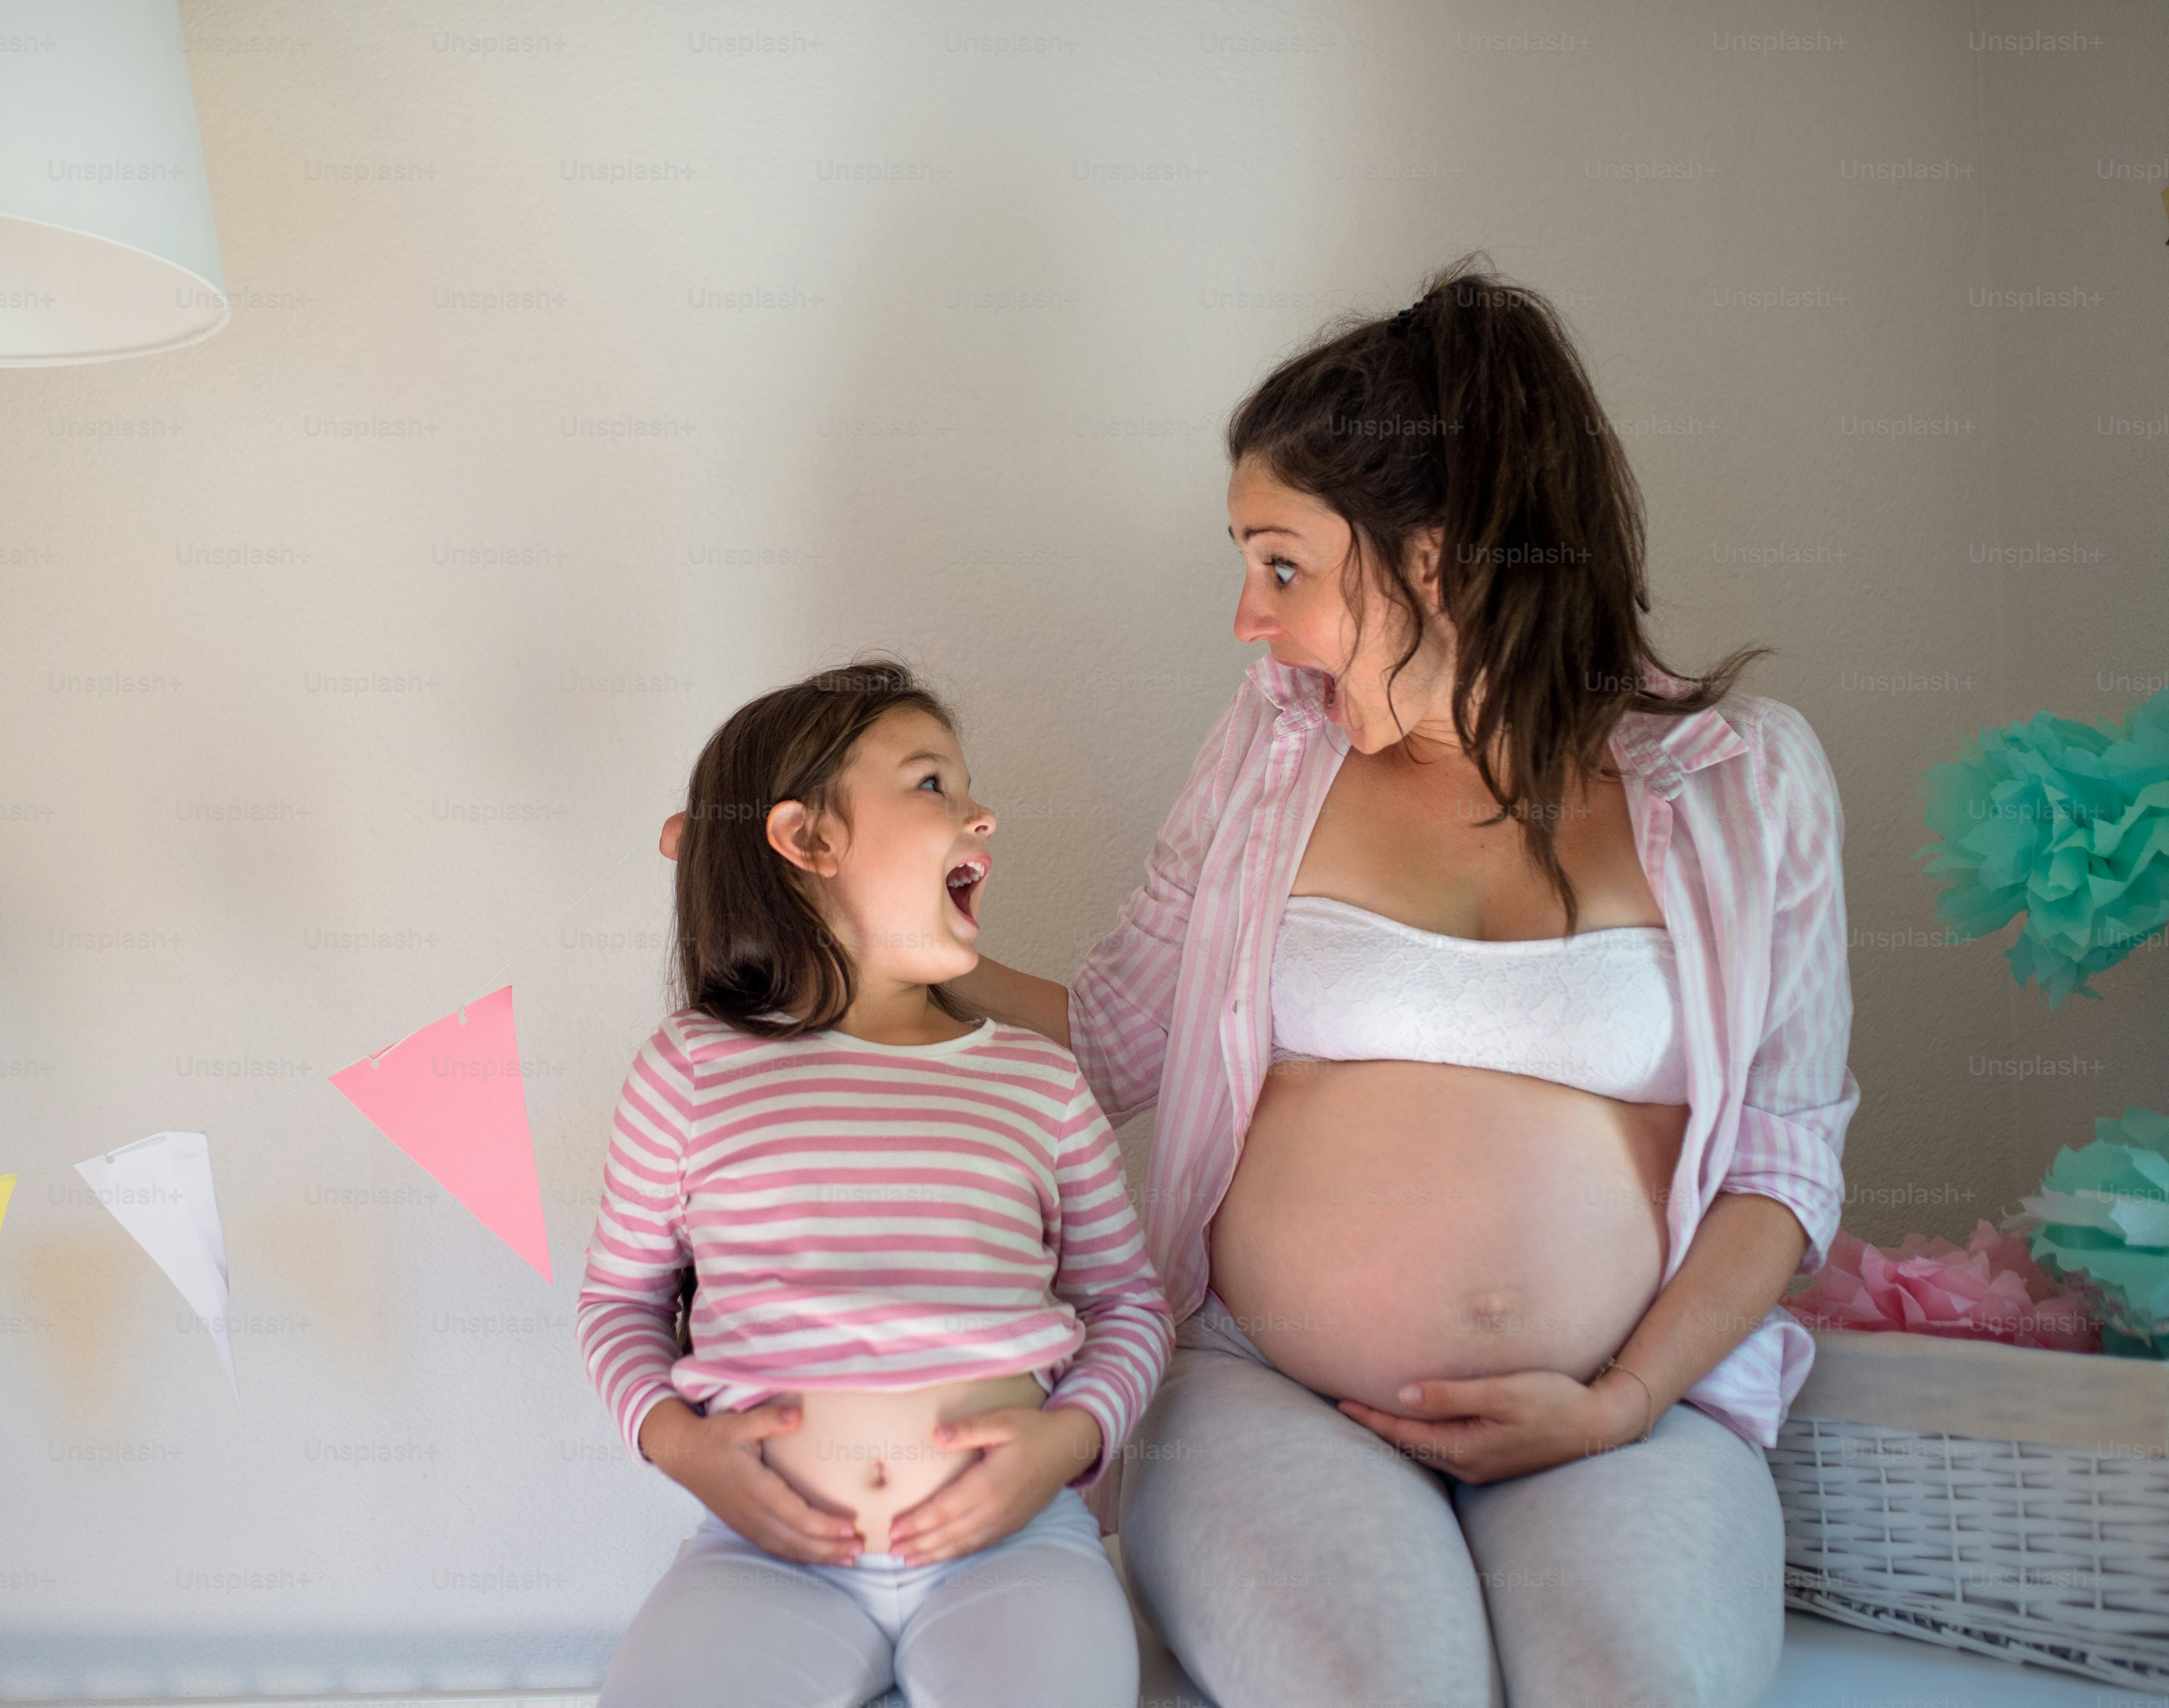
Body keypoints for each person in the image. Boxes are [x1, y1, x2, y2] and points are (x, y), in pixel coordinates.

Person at [947, 258, 1856, 1708]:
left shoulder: (1741, 782)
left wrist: (1616, 1397)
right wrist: (890, 949)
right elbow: (1120, 1039)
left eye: (1280, 563)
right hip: (1266, 1385)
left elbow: (1780, 1164)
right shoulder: (1275, 753)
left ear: (1428, 557)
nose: (1249, 621)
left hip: (1622, 1398)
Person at [582, 659, 1176, 1708]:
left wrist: (1065, 1443)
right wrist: (684, 1450)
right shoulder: (690, 1069)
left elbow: (1127, 1304)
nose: (981, 814)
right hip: (763, 1554)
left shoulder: (1034, 1079)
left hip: (1014, 1549)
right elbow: (619, 1304)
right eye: (932, 783)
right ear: (807, 839)